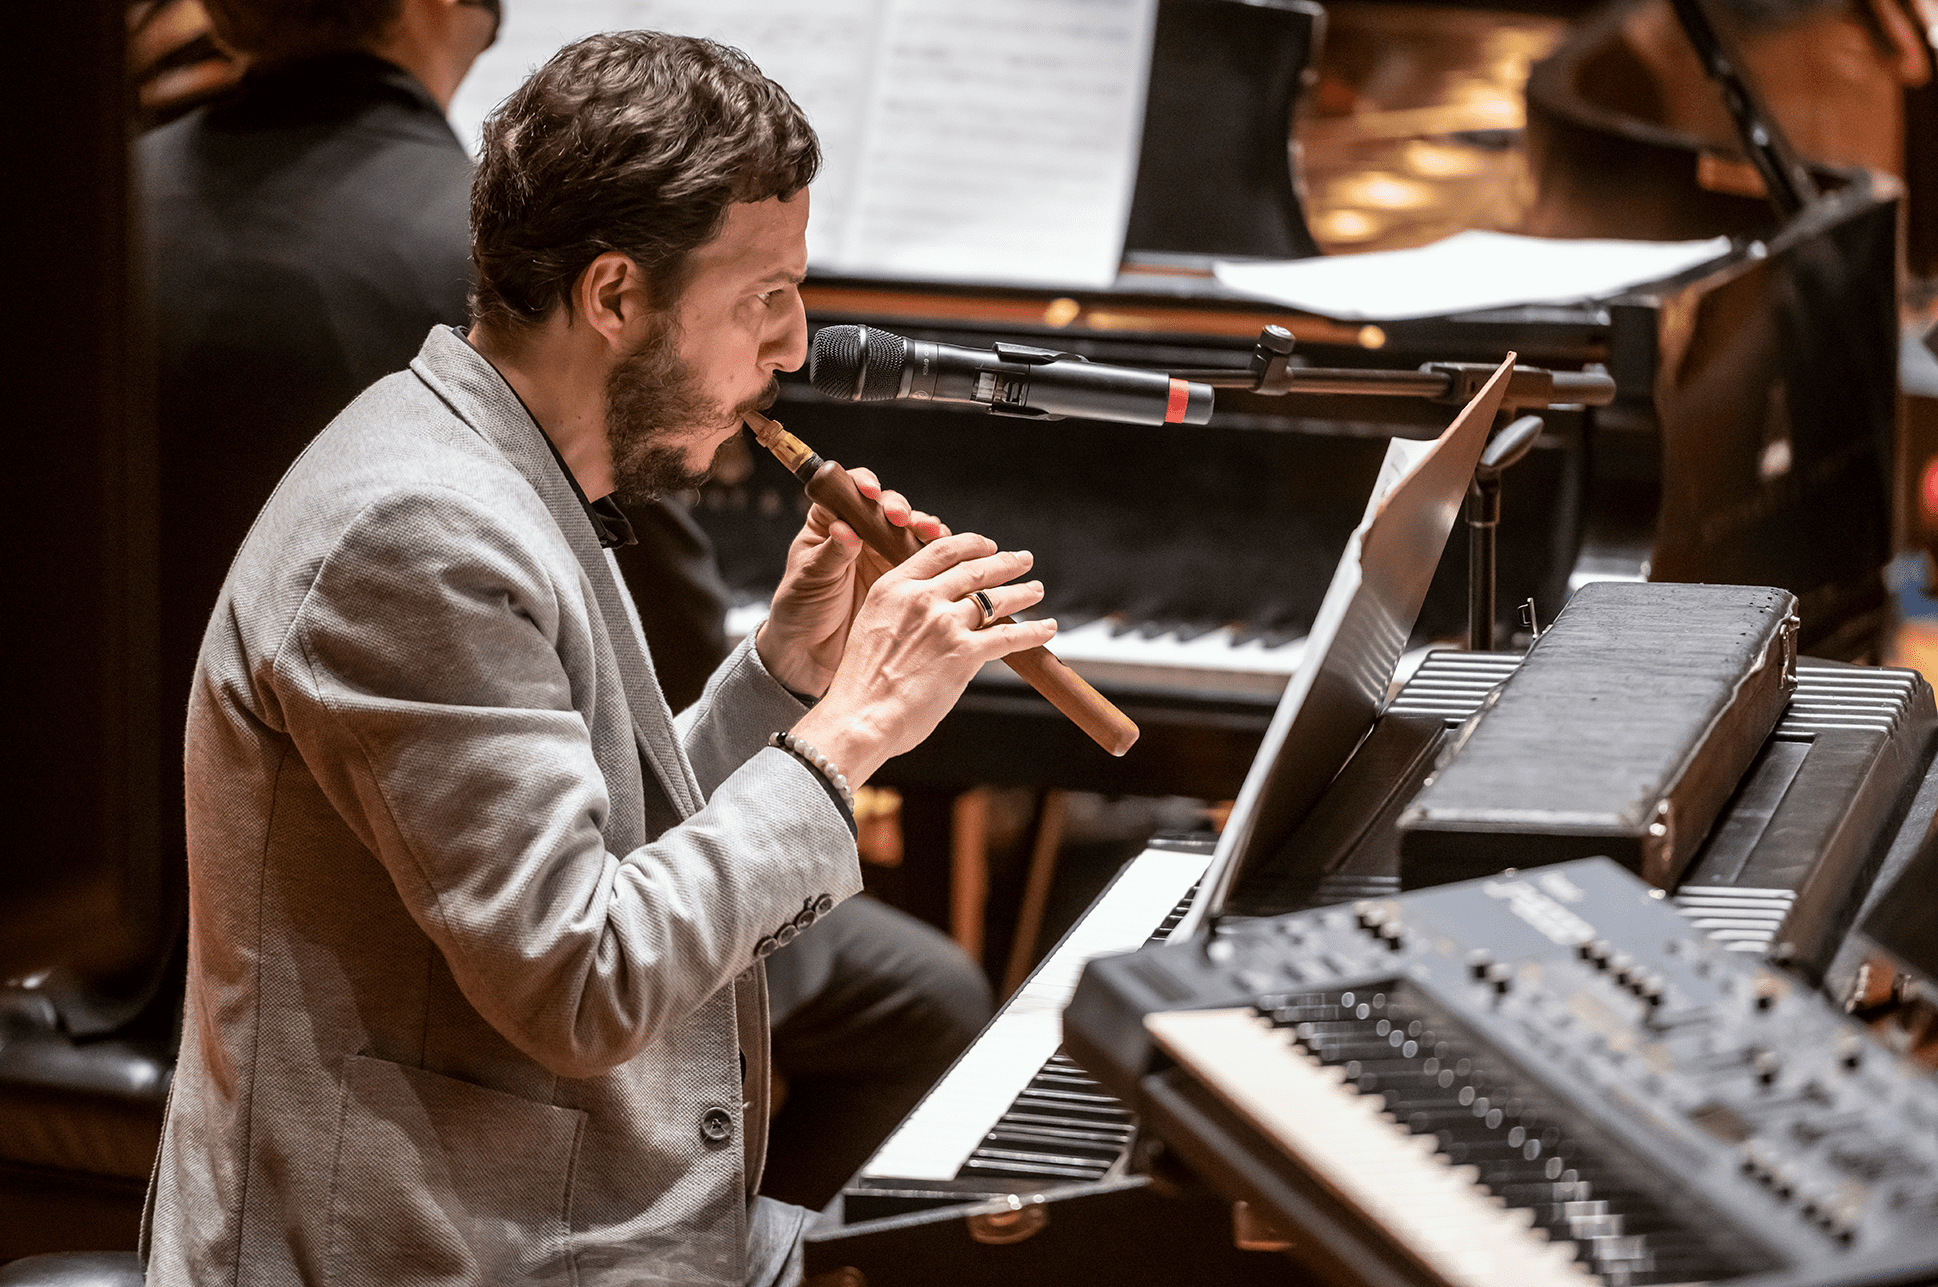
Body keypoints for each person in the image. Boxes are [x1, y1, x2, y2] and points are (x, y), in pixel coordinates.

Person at [141, 29, 1054, 1287]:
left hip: (518, 1202)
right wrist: (848, 740)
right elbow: (585, 982)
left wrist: (784, 676)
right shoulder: (418, 535)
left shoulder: (499, 467)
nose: (793, 348)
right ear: (616, 296)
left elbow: (589, 844)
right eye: (765, 298)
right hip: (423, 1248)